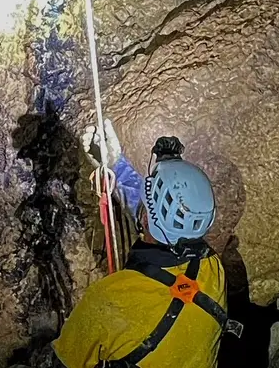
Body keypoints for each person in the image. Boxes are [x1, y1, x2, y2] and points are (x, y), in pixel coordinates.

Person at [51, 132, 241, 368]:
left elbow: (64, 361)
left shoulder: (109, 298)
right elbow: (159, 221)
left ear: (147, 218)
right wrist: (117, 166)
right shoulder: (213, 270)